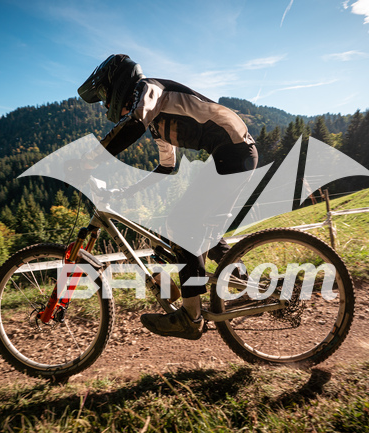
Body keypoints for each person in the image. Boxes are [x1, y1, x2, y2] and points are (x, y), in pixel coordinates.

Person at [78, 54, 258, 340]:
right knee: (206, 236)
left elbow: (134, 123)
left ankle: (190, 317)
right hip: (235, 154)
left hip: (233, 152)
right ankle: (254, 291)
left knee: (182, 226)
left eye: (104, 96)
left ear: (118, 85)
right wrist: (126, 192)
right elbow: (166, 167)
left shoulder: (149, 89)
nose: (104, 105)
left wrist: (89, 160)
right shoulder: (156, 122)